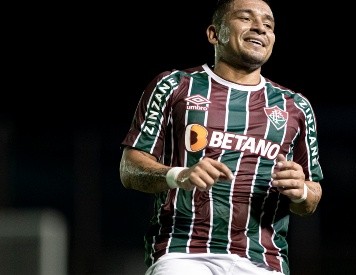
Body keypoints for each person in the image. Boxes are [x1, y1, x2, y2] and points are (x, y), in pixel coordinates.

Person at [119, 0, 323, 274]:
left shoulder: (295, 107)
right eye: (246, 18)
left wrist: (300, 191)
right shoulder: (174, 86)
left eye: (268, 24)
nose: (260, 28)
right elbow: (130, 168)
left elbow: (312, 195)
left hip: (263, 260)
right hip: (182, 254)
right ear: (214, 34)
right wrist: (179, 175)